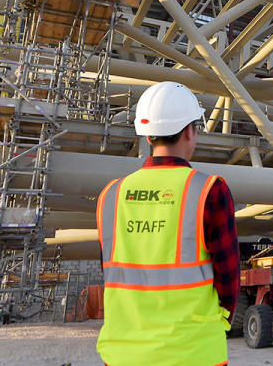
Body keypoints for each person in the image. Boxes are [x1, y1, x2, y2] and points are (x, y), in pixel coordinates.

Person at [96, 82, 239, 366]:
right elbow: (228, 278)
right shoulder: (209, 191)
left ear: (148, 135)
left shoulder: (111, 195)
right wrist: (219, 321)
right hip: (194, 353)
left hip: (124, 354)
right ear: (189, 130)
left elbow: (111, 273)